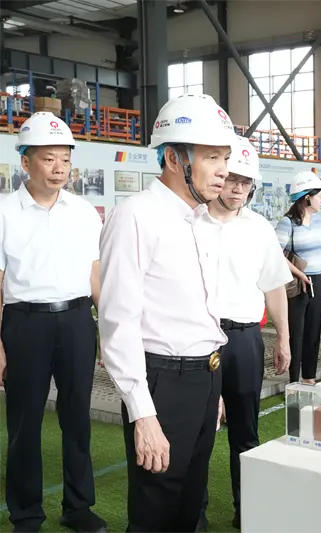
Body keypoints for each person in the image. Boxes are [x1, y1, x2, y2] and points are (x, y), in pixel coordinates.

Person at [98, 94, 238, 532]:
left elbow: (201, 314)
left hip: (204, 378)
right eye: (212, 158)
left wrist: (211, 385)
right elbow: (118, 322)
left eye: (225, 157)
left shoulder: (202, 221)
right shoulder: (135, 217)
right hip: (162, 383)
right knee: (156, 510)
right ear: (175, 158)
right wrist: (142, 412)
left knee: (189, 507)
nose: (224, 170)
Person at [0, 112, 106, 533]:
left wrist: (108, 327)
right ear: (25, 161)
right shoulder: (4, 212)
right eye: (49, 159)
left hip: (78, 321)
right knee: (24, 422)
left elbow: (95, 274)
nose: (59, 168)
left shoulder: (84, 212)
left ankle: (78, 507)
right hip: (24, 324)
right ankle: (26, 513)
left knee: (77, 416)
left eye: (65, 159)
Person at [195, 137, 292, 530]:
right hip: (199, 337)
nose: (237, 189)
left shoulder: (259, 229)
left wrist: (283, 337)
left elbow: (274, 287)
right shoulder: (192, 222)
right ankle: (194, 513)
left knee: (245, 432)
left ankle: (246, 509)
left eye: (245, 182)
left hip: (245, 340)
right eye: (232, 179)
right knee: (199, 432)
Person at [275, 171, 321, 384]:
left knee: (313, 331)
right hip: (297, 282)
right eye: (320, 196)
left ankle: (309, 377)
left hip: (317, 279)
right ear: (307, 198)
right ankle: (294, 380)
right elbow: (276, 255)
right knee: (296, 332)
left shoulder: (319, 221)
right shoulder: (287, 223)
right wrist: (300, 274)